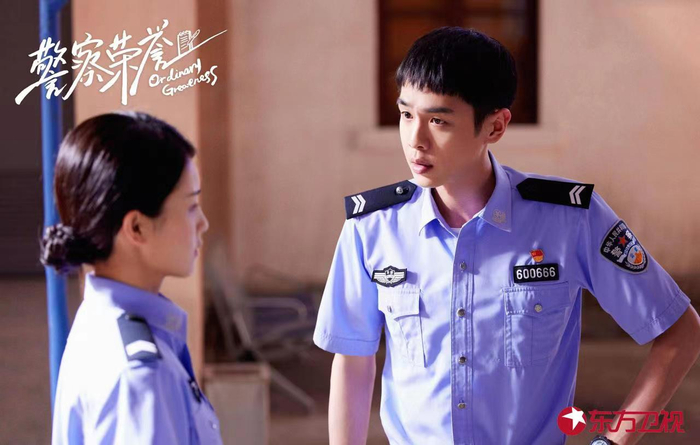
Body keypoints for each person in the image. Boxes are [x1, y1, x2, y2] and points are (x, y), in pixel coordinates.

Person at [313, 27, 700, 445]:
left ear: (495, 126)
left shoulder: (569, 220)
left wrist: (611, 442)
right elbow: (353, 360)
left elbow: (680, 331)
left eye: (438, 121)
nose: (415, 140)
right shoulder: (372, 228)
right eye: (407, 114)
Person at [42, 111, 223, 444]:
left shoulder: (97, 324)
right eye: (191, 206)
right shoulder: (142, 380)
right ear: (136, 227)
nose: (203, 223)